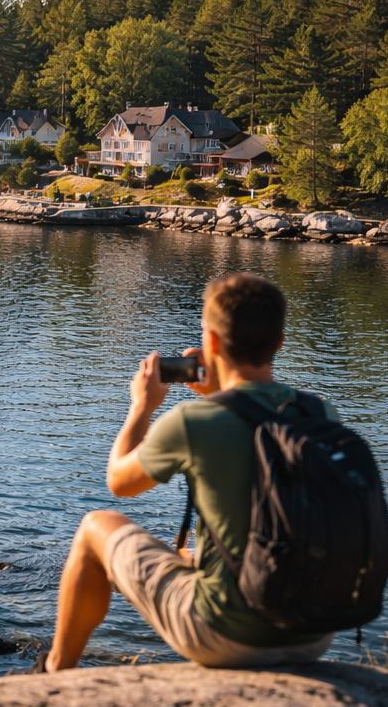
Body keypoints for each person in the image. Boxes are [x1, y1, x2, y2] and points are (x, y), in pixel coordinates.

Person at [45, 272, 336, 671]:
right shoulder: (320, 413)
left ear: (211, 342)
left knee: (96, 527)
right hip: (313, 634)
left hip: (225, 636)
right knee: (189, 554)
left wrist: (142, 406)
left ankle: (53, 674)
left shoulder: (195, 421)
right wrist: (222, 395)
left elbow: (119, 481)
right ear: (280, 342)